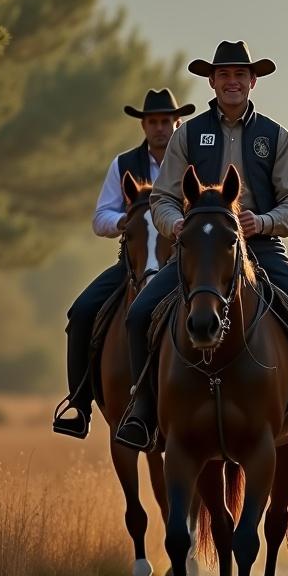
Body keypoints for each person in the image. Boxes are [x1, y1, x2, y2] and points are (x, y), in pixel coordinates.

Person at [114, 40, 288, 451]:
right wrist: (180, 228)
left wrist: (262, 221)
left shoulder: (276, 136)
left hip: (261, 249)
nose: (232, 82)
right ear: (211, 81)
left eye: (240, 74)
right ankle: (142, 412)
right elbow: (162, 199)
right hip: (200, 252)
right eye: (223, 75)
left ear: (253, 80)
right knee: (137, 315)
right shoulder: (187, 134)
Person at [52, 88, 193, 438]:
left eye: (166, 121)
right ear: (143, 125)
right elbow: (100, 216)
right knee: (82, 311)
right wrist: (125, 224)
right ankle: (79, 406)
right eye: (153, 122)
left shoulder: (193, 164)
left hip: (184, 264)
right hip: (133, 262)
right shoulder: (122, 164)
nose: (160, 128)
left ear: (178, 123)